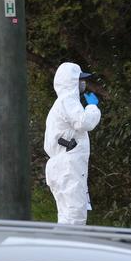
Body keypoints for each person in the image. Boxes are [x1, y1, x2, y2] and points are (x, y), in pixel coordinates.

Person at [44, 62, 101, 225]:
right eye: (79, 80)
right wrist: (92, 107)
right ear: (70, 82)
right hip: (68, 165)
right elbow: (84, 123)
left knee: (66, 216)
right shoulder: (67, 100)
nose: (82, 83)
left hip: (62, 164)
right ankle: (70, 250)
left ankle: (60, 250)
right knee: (75, 215)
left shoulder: (61, 103)